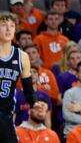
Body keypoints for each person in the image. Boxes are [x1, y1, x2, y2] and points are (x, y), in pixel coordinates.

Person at [0, 13, 36, 143]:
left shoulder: (22, 56)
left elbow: (28, 90)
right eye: (4, 25)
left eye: (12, 26)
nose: (8, 29)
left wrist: (34, 104)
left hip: (6, 115)